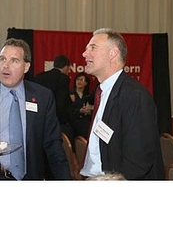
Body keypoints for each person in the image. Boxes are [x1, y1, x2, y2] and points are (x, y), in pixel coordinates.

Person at [0, 38, 71, 180]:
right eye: (2, 59)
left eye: (14, 61)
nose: (5, 66)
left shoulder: (42, 97)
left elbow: (53, 145)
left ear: (26, 67)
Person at [80, 28, 165, 180]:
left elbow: (138, 162)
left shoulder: (134, 96)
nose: (84, 54)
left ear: (112, 53)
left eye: (92, 48)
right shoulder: (102, 92)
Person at [34, 55, 75, 147]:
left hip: (39, 118)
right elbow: (62, 103)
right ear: (66, 67)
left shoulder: (39, 77)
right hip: (56, 120)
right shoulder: (63, 79)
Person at [69, 72, 93, 138]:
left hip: (85, 125)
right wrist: (79, 111)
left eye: (82, 80)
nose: (79, 82)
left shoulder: (88, 95)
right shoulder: (70, 94)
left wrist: (89, 111)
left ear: (86, 83)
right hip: (73, 124)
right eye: (77, 79)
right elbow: (68, 110)